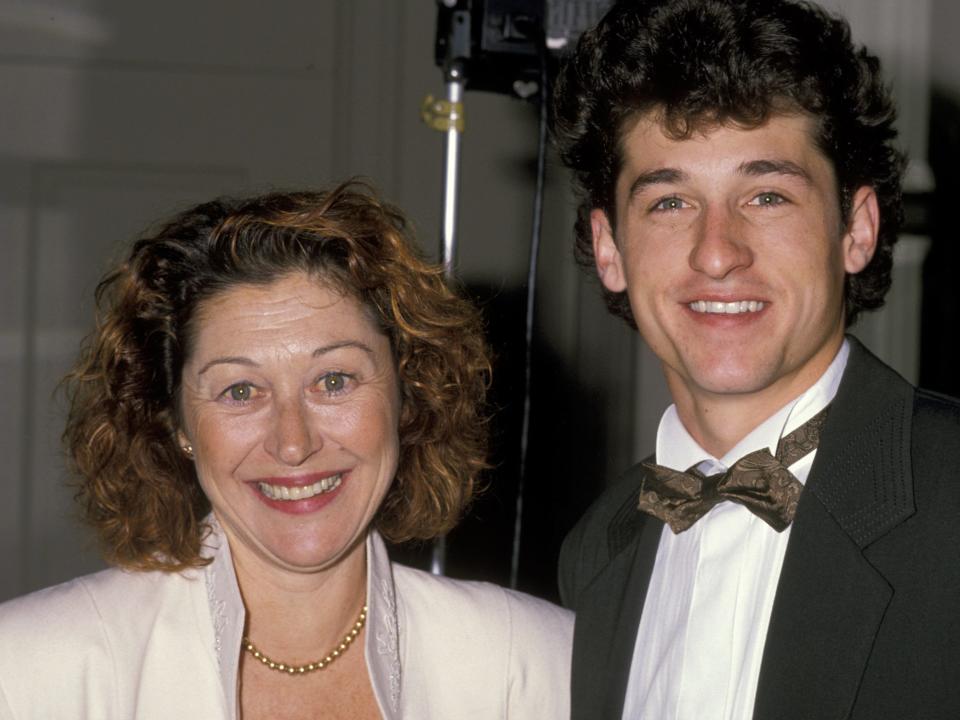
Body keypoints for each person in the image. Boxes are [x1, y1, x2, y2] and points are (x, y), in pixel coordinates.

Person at [0, 182, 573, 719]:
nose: (294, 443)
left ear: (408, 393)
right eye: (240, 391)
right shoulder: (29, 670)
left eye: (334, 380)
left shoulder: (535, 666)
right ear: (176, 424)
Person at [551, 1, 960, 718]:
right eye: (670, 203)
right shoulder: (595, 552)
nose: (717, 252)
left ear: (856, 230)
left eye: (766, 196)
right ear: (611, 248)